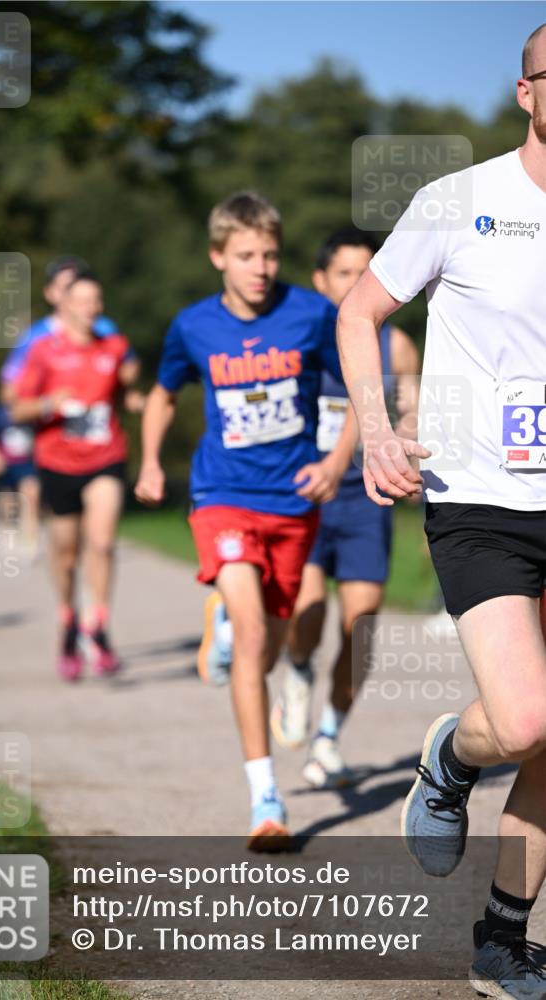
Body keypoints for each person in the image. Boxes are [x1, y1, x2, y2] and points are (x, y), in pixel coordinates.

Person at [337, 23, 546, 998]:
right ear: (522, 91)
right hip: (481, 498)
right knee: (522, 718)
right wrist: (377, 429)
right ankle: (447, 757)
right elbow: (359, 311)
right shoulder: (458, 202)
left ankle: (501, 939)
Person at [135, 192, 354, 850]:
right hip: (221, 494)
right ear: (217, 257)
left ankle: (230, 623)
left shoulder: (312, 314)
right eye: (245, 256)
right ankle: (265, 798)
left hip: (293, 502)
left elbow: (354, 391)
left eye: (269, 255)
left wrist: (335, 463)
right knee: (256, 630)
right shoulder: (192, 326)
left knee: (271, 648)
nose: (260, 268)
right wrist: (148, 460)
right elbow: (163, 393)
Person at [270, 228, 420, 789]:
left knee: (361, 629)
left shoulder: (396, 344)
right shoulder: (296, 340)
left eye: (366, 273)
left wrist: (407, 436)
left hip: (366, 498)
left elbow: (415, 407)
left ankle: (328, 739)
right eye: (343, 274)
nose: (356, 284)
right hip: (306, 496)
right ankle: (300, 669)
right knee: (306, 616)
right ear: (319, 280)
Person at [12, 273, 141, 680]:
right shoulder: (42, 351)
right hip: (58, 462)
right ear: (63, 305)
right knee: (66, 553)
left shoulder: (114, 348)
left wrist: (136, 399)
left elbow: (122, 391)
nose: (90, 307)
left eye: (96, 300)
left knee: (101, 542)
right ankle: (68, 617)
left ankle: (97, 624)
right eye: (81, 300)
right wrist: (49, 402)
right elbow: (17, 409)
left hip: (106, 457)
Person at [0, 255, 120, 393]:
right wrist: (47, 403)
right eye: (65, 287)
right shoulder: (34, 336)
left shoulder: (105, 328)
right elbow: (9, 389)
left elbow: (128, 369)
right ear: (49, 293)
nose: (72, 292)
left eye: (77, 284)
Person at [0, 400, 40, 556]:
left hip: (27, 463)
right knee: (8, 501)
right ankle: (8, 532)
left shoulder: (33, 405)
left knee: (31, 498)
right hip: (5, 463)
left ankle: (30, 541)